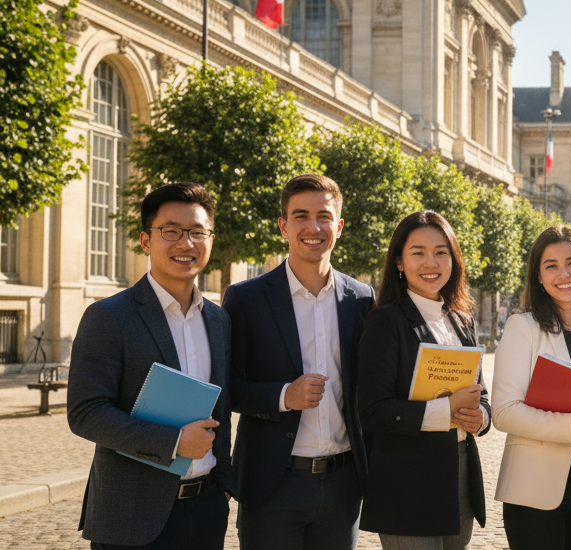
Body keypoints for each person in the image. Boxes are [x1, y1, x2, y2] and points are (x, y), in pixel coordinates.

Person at [67, 182, 234, 549]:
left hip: (206, 511)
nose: (185, 243)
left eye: (197, 232)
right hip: (132, 518)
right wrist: (174, 442)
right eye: (170, 231)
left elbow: (220, 408)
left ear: (210, 239)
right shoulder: (109, 316)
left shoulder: (219, 320)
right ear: (146, 241)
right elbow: (85, 412)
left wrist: (222, 486)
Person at [224, 174, 374, 549]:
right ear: (283, 226)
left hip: (343, 485)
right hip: (273, 483)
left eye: (324, 216)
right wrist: (283, 396)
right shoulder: (246, 298)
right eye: (301, 216)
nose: (313, 227)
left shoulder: (362, 299)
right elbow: (227, 387)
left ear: (339, 226)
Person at [356, 211, 490, 549]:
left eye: (441, 252)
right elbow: (372, 411)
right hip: (407, 481)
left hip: (458, 475)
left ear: (453, 259)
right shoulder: (385, 321)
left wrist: (482, 416)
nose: (430, 262)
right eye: (418, 252)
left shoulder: (463, 319)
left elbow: (481, 393)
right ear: (399, 262)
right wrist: (446, 410)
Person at [493, 225, 571, 550]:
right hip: (533, 487)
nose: (563, 274)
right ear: (538, 276)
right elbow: (504, 413)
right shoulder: (522, 327)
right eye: (551, 265)